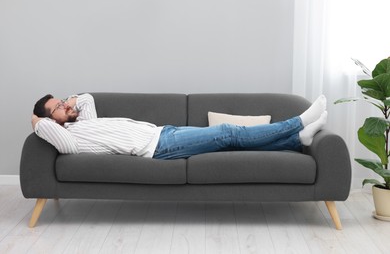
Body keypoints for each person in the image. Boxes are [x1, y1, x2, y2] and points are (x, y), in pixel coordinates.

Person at [31, 93, 327, 160]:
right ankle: (298, 121)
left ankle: (297, 139)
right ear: (48, 120)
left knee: (233, 140)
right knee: (228, 133)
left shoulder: (85, 122)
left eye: (63, 102)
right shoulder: (70, 138)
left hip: (163, 132)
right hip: (159, 148)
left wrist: (70, 100)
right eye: (58, 107)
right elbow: (54, 135)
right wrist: (38, 121)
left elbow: (87, 99)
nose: (66, 107)